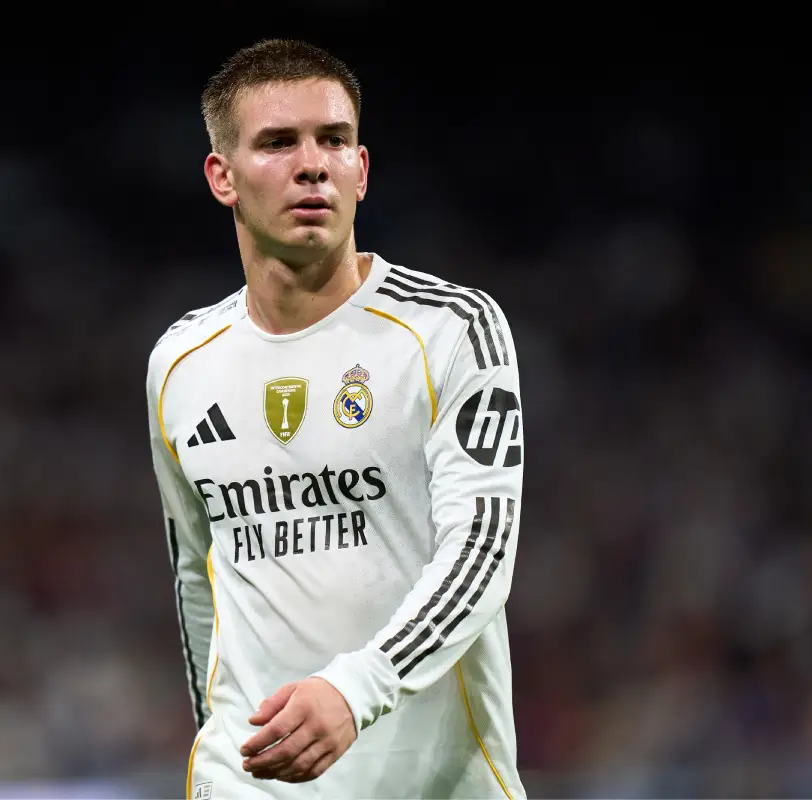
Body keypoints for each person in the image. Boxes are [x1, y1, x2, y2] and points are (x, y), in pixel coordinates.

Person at [146, 38, 527, 799]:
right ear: (223, 177)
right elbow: (199, 579)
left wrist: (357, 690)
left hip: (431, 781)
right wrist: (224, 746)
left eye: (334, 140)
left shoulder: (454, 329)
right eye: (279, 143)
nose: (312, 163)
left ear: (361, 168)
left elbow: (481, 551)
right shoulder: (180, 363)